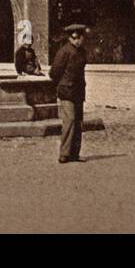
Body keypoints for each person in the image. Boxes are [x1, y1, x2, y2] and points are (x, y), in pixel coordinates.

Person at [49, 23, 88, 163]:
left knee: (78, 123)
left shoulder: (82, 51)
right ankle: (64, 154)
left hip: (78, 91)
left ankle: (74, 154)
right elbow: (54, 72)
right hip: (67, 90)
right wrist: (62, 85)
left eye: (79, 38)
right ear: (70, 38)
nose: (77, 41)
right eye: (74, 38)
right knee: (69, 120)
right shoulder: (64, 51)